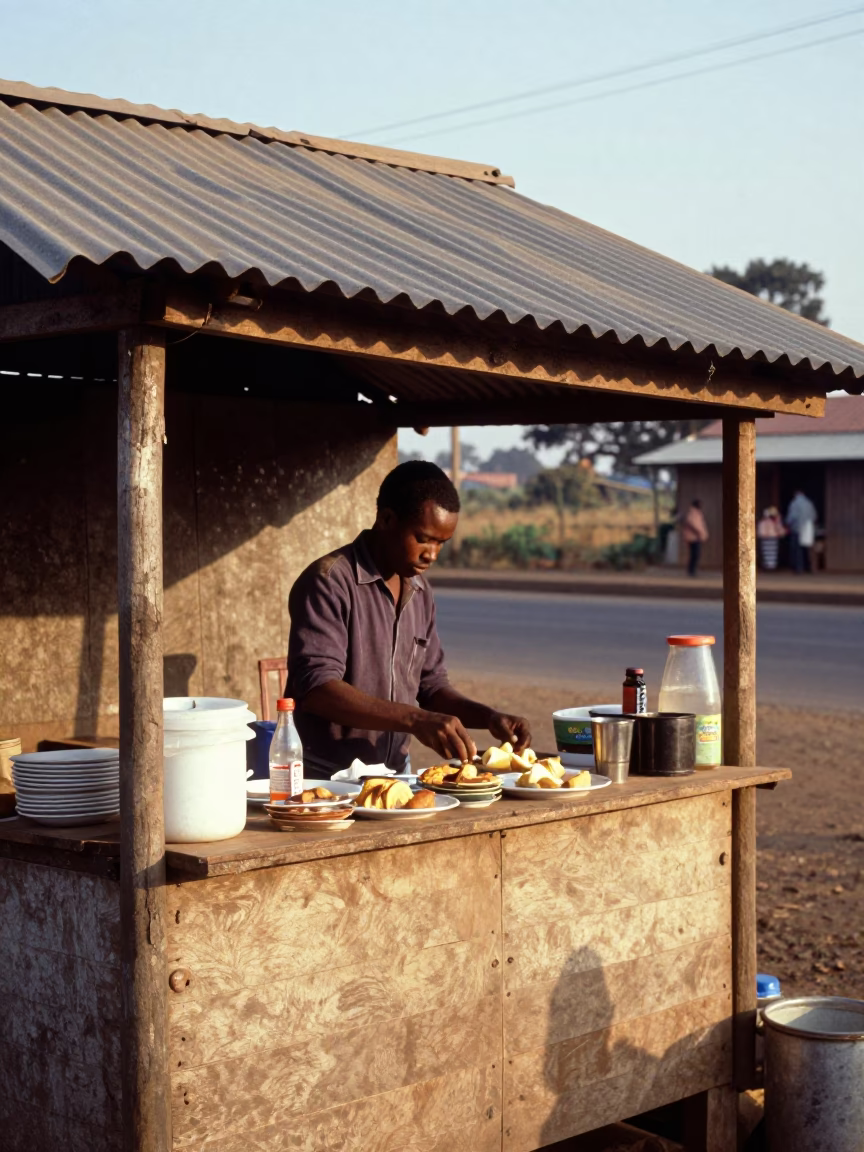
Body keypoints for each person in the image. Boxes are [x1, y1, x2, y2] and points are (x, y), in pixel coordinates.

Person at [286, 461, 531, 776]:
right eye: (424, 538)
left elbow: (431, 686)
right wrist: (416, 720)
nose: (433, 554)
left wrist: (488, 717)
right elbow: (318, 690)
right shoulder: (329, 581)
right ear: (387, 519)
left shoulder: (419, 590)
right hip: (325, 776)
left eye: (441, 543)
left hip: (396, 773)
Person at [785, 489, 818, 574]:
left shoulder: (795, 503)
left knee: (797, 550)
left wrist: (787, 523)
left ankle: (798, 568)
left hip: (797, 528)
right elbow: (814, 516)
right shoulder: (809, 503)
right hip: (808, 529)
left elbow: (792, 516)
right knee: (808, 549)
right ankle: (810, 568)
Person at [680, 498, 709, 577]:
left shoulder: (696, 513)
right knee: (695, 554)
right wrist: (700, 532)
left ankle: (692, 570)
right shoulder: (693, 513)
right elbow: (693, 523)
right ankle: (691, 571)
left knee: (695, 554)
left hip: (696, 537)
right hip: (693, 537)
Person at [757, 506, 786, 571]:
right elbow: (761, 532)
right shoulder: (763, 522)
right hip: (766, 539)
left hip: (773, 539)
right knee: (767, 553)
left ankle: (772, 567)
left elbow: (780, 531)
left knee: (772, 554)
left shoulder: (776, 522)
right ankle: (767, 566)